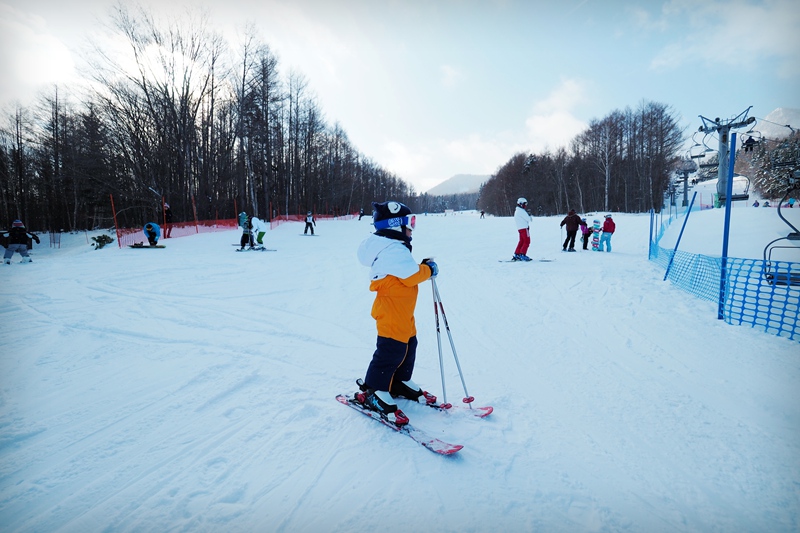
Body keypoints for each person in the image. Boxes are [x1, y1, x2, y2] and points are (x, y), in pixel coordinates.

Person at [355, 200, 438, 426]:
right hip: (392, 311)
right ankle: (375, 389)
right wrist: (428, 270)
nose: (412, 228)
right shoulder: (392, 248)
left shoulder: (391, 247)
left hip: (402, 311)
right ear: (394, 225)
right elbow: (411, 275)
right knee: (391, 349)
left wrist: (422, 269)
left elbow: (407, 272)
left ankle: (398, 381)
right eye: (410, 223)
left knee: (410, 343)